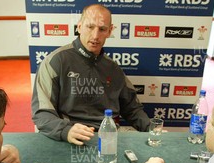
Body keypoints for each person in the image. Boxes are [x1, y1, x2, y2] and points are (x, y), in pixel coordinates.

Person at [31, 4, 150, 145]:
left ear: (110, 31)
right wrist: (65, 131)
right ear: (79, 27)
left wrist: (152, 128)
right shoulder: (55, 61)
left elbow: (132, 109)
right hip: (69, 138)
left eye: (102, 29)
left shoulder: (113, 68)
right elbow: (42, 113)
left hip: (107, 137)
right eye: (90, 27)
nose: (95, 36)